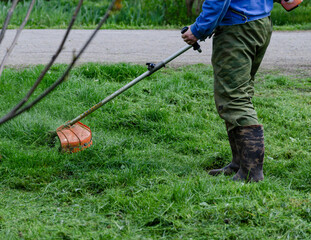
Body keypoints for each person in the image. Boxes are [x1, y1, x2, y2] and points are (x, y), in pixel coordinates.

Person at [182, 0, 276, 182]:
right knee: (239, 93)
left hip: (238, 28)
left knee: (234, 99)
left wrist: (198, 29)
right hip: (260, 22)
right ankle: (239, 163)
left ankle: (251, 173)